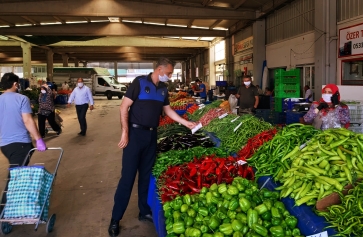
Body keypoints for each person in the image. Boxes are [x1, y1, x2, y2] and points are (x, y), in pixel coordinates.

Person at [108, 58, 196, 237]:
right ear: (159, 69)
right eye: (169, 73)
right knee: (128, 178)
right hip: (134, 135)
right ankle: (115, 219)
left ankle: (144, 210)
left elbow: (168, 110)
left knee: (146, 176)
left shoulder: (163, 89)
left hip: (151, 135)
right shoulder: (139, 83)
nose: (170, 77)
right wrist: (125, 132)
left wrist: (185, 122)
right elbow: (124, 107)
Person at [0, 73, 46, 212]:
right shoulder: (22, 99)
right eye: (18, 83)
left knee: (16, 174)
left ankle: (12, 206)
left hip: (4, 145)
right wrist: (38, 139)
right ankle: (3, 211)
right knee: (14, 178)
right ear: (15, 84)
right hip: (20, 144)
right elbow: (28, 120)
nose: (19, 85)